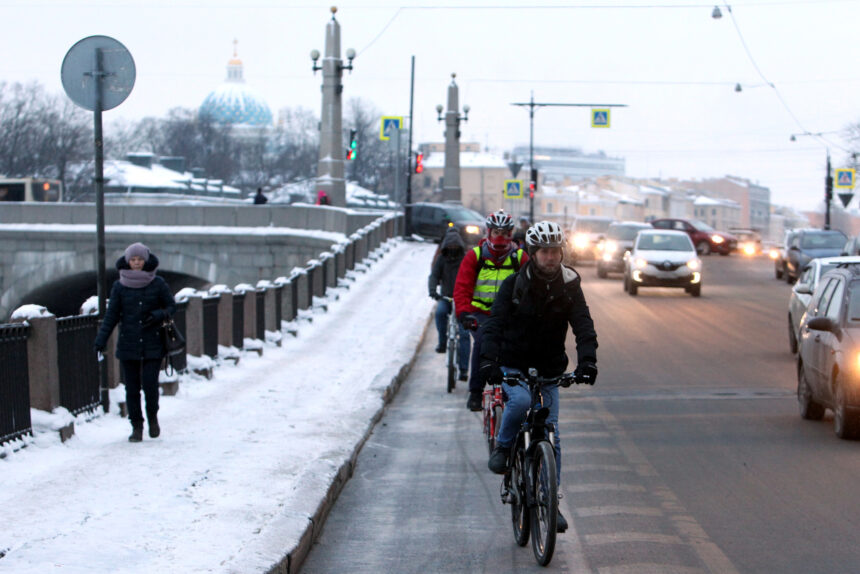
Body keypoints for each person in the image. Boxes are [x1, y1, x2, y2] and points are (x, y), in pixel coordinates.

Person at [480, 221, 598, 533]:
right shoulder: (514, 284)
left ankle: (550, 501)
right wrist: (489, 362)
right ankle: (504, 447)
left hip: (549, 368)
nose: (550, 257)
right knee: (519, 402)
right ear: (533, 254)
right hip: (514, 364)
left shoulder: (569, 284)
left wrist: (588, 362)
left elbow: (583, 325)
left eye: (555, 251)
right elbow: (494, 324)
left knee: (550, 433)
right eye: (545, 251)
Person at [93, 243, 177, 443]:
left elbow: (171, 306)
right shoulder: (119, 286)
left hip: (153, 342)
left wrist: (158, 315)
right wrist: (100, 340)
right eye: (133, 260)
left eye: (140, 259)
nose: (137, 263)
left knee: (150, 385)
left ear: (145, 261)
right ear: (128, 261)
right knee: (131, 389)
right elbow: (112, 315)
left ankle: (152, 418)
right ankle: (136, 426)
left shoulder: (157, 283)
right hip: (128, 344)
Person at [453, 209, 528, 411]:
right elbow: (462, 288)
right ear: (489, 232)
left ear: (511, 234)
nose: (500, 237)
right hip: (481, 314)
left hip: (509, 316)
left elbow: (531, 289)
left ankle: (511, 392)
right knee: (482, 343)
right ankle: (475, 392)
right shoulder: (475, 256)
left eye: (504, 233)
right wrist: (464, 313)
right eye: (496, 232)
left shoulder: (520, 258)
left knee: (513, 347)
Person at [428, 227, 471, 380]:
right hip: (446, 297)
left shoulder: (465, 259)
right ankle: (442, 342)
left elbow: (472, 276)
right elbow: (434, 276)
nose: (452, 248)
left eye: (455, 245)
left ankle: (464, 369)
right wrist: (433, 291)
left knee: (464, 333)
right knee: (440, 314)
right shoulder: (441, 259)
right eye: (450, 245)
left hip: (462, 300)